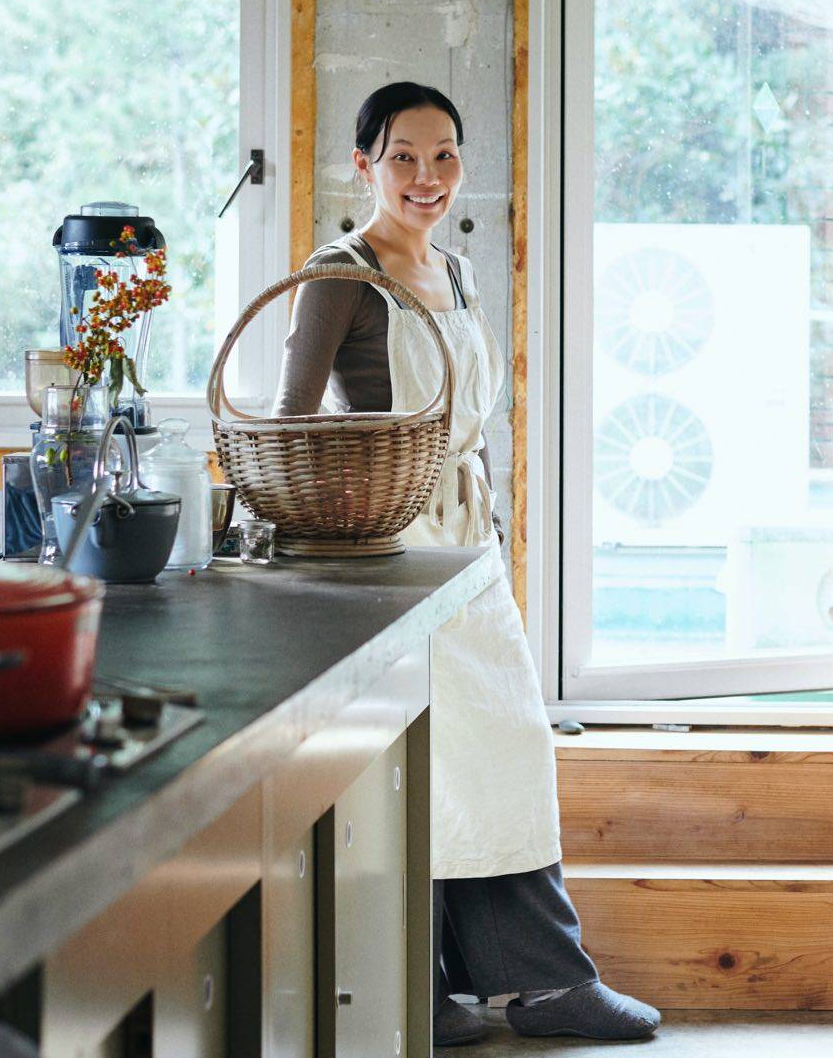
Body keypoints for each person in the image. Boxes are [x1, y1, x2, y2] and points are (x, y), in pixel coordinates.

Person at [275, 82, 660, 1047]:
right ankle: (468, 988)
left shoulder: (458, 270)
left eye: (444, 155)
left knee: (495, 757)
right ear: (362, 165)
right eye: (403, 156)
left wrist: (491, 525)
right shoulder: (340, 276)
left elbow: (473, 423)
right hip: (392, 554)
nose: (426, 176)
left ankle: (497, 987)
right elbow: (288, 422)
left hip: (469, 548)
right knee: (430, 768)